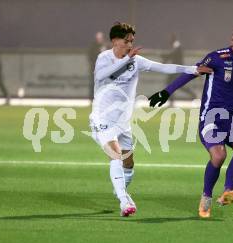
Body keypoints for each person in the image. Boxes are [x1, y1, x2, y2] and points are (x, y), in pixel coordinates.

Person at [148, 27, 233, 218]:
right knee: (218, 156)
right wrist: (167, 91)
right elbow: (193, 72)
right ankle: (206, 196)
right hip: (211, 117)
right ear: (232, 41)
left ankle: (228, 191)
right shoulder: (217, 58)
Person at [89, 22, 212, 217]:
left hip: (123, 122)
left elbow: (163, 67)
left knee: (128, 164)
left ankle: (120, 188)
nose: (130, 44)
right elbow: (101, 76)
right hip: (102, 119)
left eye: (132, 41)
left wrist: (193, 69)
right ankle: (124, 201)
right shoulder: (104, 58)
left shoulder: (136, 61)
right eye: (126, 40)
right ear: (114, 40)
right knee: (116, 156)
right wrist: (126, 59)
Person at [161, 33, 196, 106]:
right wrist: (166, 58)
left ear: (173, 39)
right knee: (173, 84)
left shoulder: (177, 45)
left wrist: (165, 57)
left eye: (170, 39)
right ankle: (172, 101)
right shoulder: (176, 46)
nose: (169, 41)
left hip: (177, 69)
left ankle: (193, 95)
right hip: (175, 69)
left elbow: (173, 54)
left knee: (173, 84)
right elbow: (173, 55)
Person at [88, 31, 110, 100]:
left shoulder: (105, 46)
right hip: (95, 69)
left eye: (100, 38)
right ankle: (92, 98)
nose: (99, 39)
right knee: (93, 83)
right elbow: (90, 56)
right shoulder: (93, 46)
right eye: (98, 38)